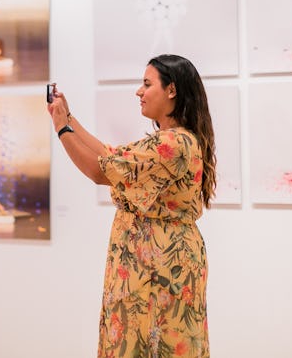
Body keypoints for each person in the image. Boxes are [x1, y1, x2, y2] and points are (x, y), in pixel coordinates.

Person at [47, 54, 214, 358]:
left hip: (159, 268)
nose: (139, 91)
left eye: (147, 84)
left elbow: (100, 171)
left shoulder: (174, 144)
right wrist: (69, 119)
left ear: (172, 90)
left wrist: (61, 130)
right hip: (150, 263)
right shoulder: (169, 140)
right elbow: (110, 156)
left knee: (155, 345)